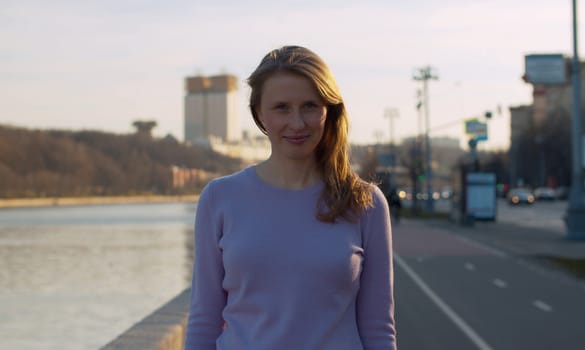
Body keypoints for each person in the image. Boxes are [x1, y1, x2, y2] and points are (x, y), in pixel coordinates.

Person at [184, 45, 396, 350]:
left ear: (329, 110)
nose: (297, 123)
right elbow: (204, 320)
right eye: (282, 107)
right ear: (259, 113)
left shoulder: (366, 203)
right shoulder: (219, 198)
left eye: (310, 106)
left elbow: (378, 329)